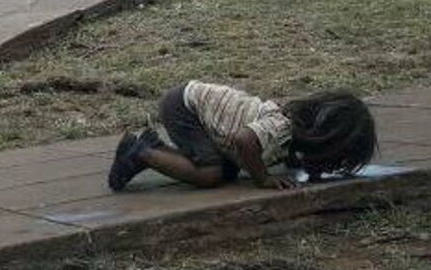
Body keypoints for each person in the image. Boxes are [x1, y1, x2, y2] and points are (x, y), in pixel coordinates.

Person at [108, 81, 377, 192]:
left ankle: (153, 147)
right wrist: (263, 178)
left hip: (194, 105)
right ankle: (141, 153)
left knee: (227, 172)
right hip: (185, 107)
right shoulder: (280, 129)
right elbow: (243, 140)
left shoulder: (290, 135)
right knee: (212, 174)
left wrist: (304, 166)